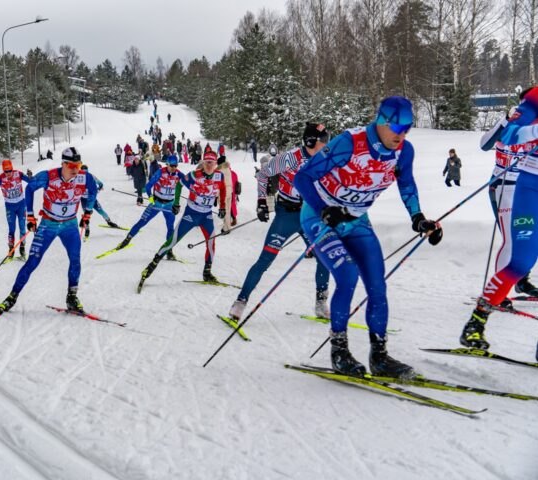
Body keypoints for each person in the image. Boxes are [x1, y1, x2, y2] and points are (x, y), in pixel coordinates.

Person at [293, 96, 443, 378]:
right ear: (381, 121)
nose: (401, 134)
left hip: (356, 220)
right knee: (347, 275)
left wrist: (419, 218)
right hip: (318, 216)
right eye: (396, 127)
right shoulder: (349, 143)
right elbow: (302, 178)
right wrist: (324, 209)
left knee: (377, 285)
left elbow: (407, 185)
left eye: (407, 128)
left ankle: (380, 357)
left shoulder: (403, 151)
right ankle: (339, 351)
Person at [461, 87, 538, 359]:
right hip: (525, 187)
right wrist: (532, 129)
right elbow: (507, 135)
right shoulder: (533, 101)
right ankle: (477, 321)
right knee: (519, 259)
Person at [229, 123, 333, 322]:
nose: (327, 144)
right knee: (265, 260)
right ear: (311, 141)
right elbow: (263, 174)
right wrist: (261, 201)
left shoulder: (325, 159)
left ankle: (321, 302)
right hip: (287, 214)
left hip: (310, 215)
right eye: (323, 140)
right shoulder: (290, 158)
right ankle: (240, 301)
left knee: (324, 258)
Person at [0, 147, 98, 314]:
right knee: (33, 261)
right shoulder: (48, 176)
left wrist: (88, 213)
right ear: (63, 164)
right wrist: (30, 216)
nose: (75, 169)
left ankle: (72, 297)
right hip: (48, 224)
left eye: (78, 165)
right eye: (72, 166)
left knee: (75, 260)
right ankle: (12, 297)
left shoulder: (85, 177)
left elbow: (93, 190)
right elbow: (29, 189)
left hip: (70, 225)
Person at [137, 150, 226, 290]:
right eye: (207, 162)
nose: (209, 165)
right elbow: (179, 185)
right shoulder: (194, 175)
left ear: (216, 164)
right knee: (172, 241)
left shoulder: (219, 176)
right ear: (203, 163)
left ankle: (207, 273)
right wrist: (176, 203)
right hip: (191, 214)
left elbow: (223, 190)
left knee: (211, 243)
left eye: (212, 163)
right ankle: (149, 269)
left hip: (207, 216)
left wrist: (223, 206)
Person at [479, 97, 538, 299]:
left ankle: (521, 280)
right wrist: (505, 120)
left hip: (525, 188)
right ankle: (497, 296)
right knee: (511, 240)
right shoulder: (510, 123)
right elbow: (484, 144)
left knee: (528, 237)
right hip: (503, 185)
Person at [116, 155, 185, 260]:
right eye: (172, 166)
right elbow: (148, 187)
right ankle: (126, 240)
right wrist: (151, 199)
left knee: (170, 228)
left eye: (176, 166)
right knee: (142, 222)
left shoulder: (179, 174)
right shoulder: (160, 172)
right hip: (156, 203)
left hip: (169, 205)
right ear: (167, 164)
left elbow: (190, 184)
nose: (174, 168)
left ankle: (169, 251)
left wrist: (177, 203)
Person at [0, 159, 30, 259]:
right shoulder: (0, 178)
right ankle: (11, 250)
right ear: (3, 170)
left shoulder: (18, 174)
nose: (8, 173)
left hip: (21, 205)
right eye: (6, 171)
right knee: (11, 229)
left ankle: (22, 249)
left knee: (22, 227)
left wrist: (30, 176)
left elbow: (31, 181)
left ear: (12, 169)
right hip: (10, 206)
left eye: (9, 171)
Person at [78, 165, 119, 239]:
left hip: (92, 199)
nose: (85, 173)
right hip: (84, 200)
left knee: (101, 211)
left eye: (86, 171)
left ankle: (109, 221)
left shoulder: (91, 176)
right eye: (83, 171)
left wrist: (98, 189)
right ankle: (87, 229)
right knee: (86, 214)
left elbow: (100, 183)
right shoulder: (78, 177)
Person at [216, 156, 239, 232]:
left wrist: (216, 196)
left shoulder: (219, 171)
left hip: (223, 193)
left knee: (224, 210)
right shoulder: (228, 169)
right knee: (228, 210)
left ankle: (226, 228)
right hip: (229, 191)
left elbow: (218, 184)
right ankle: (228, 226)